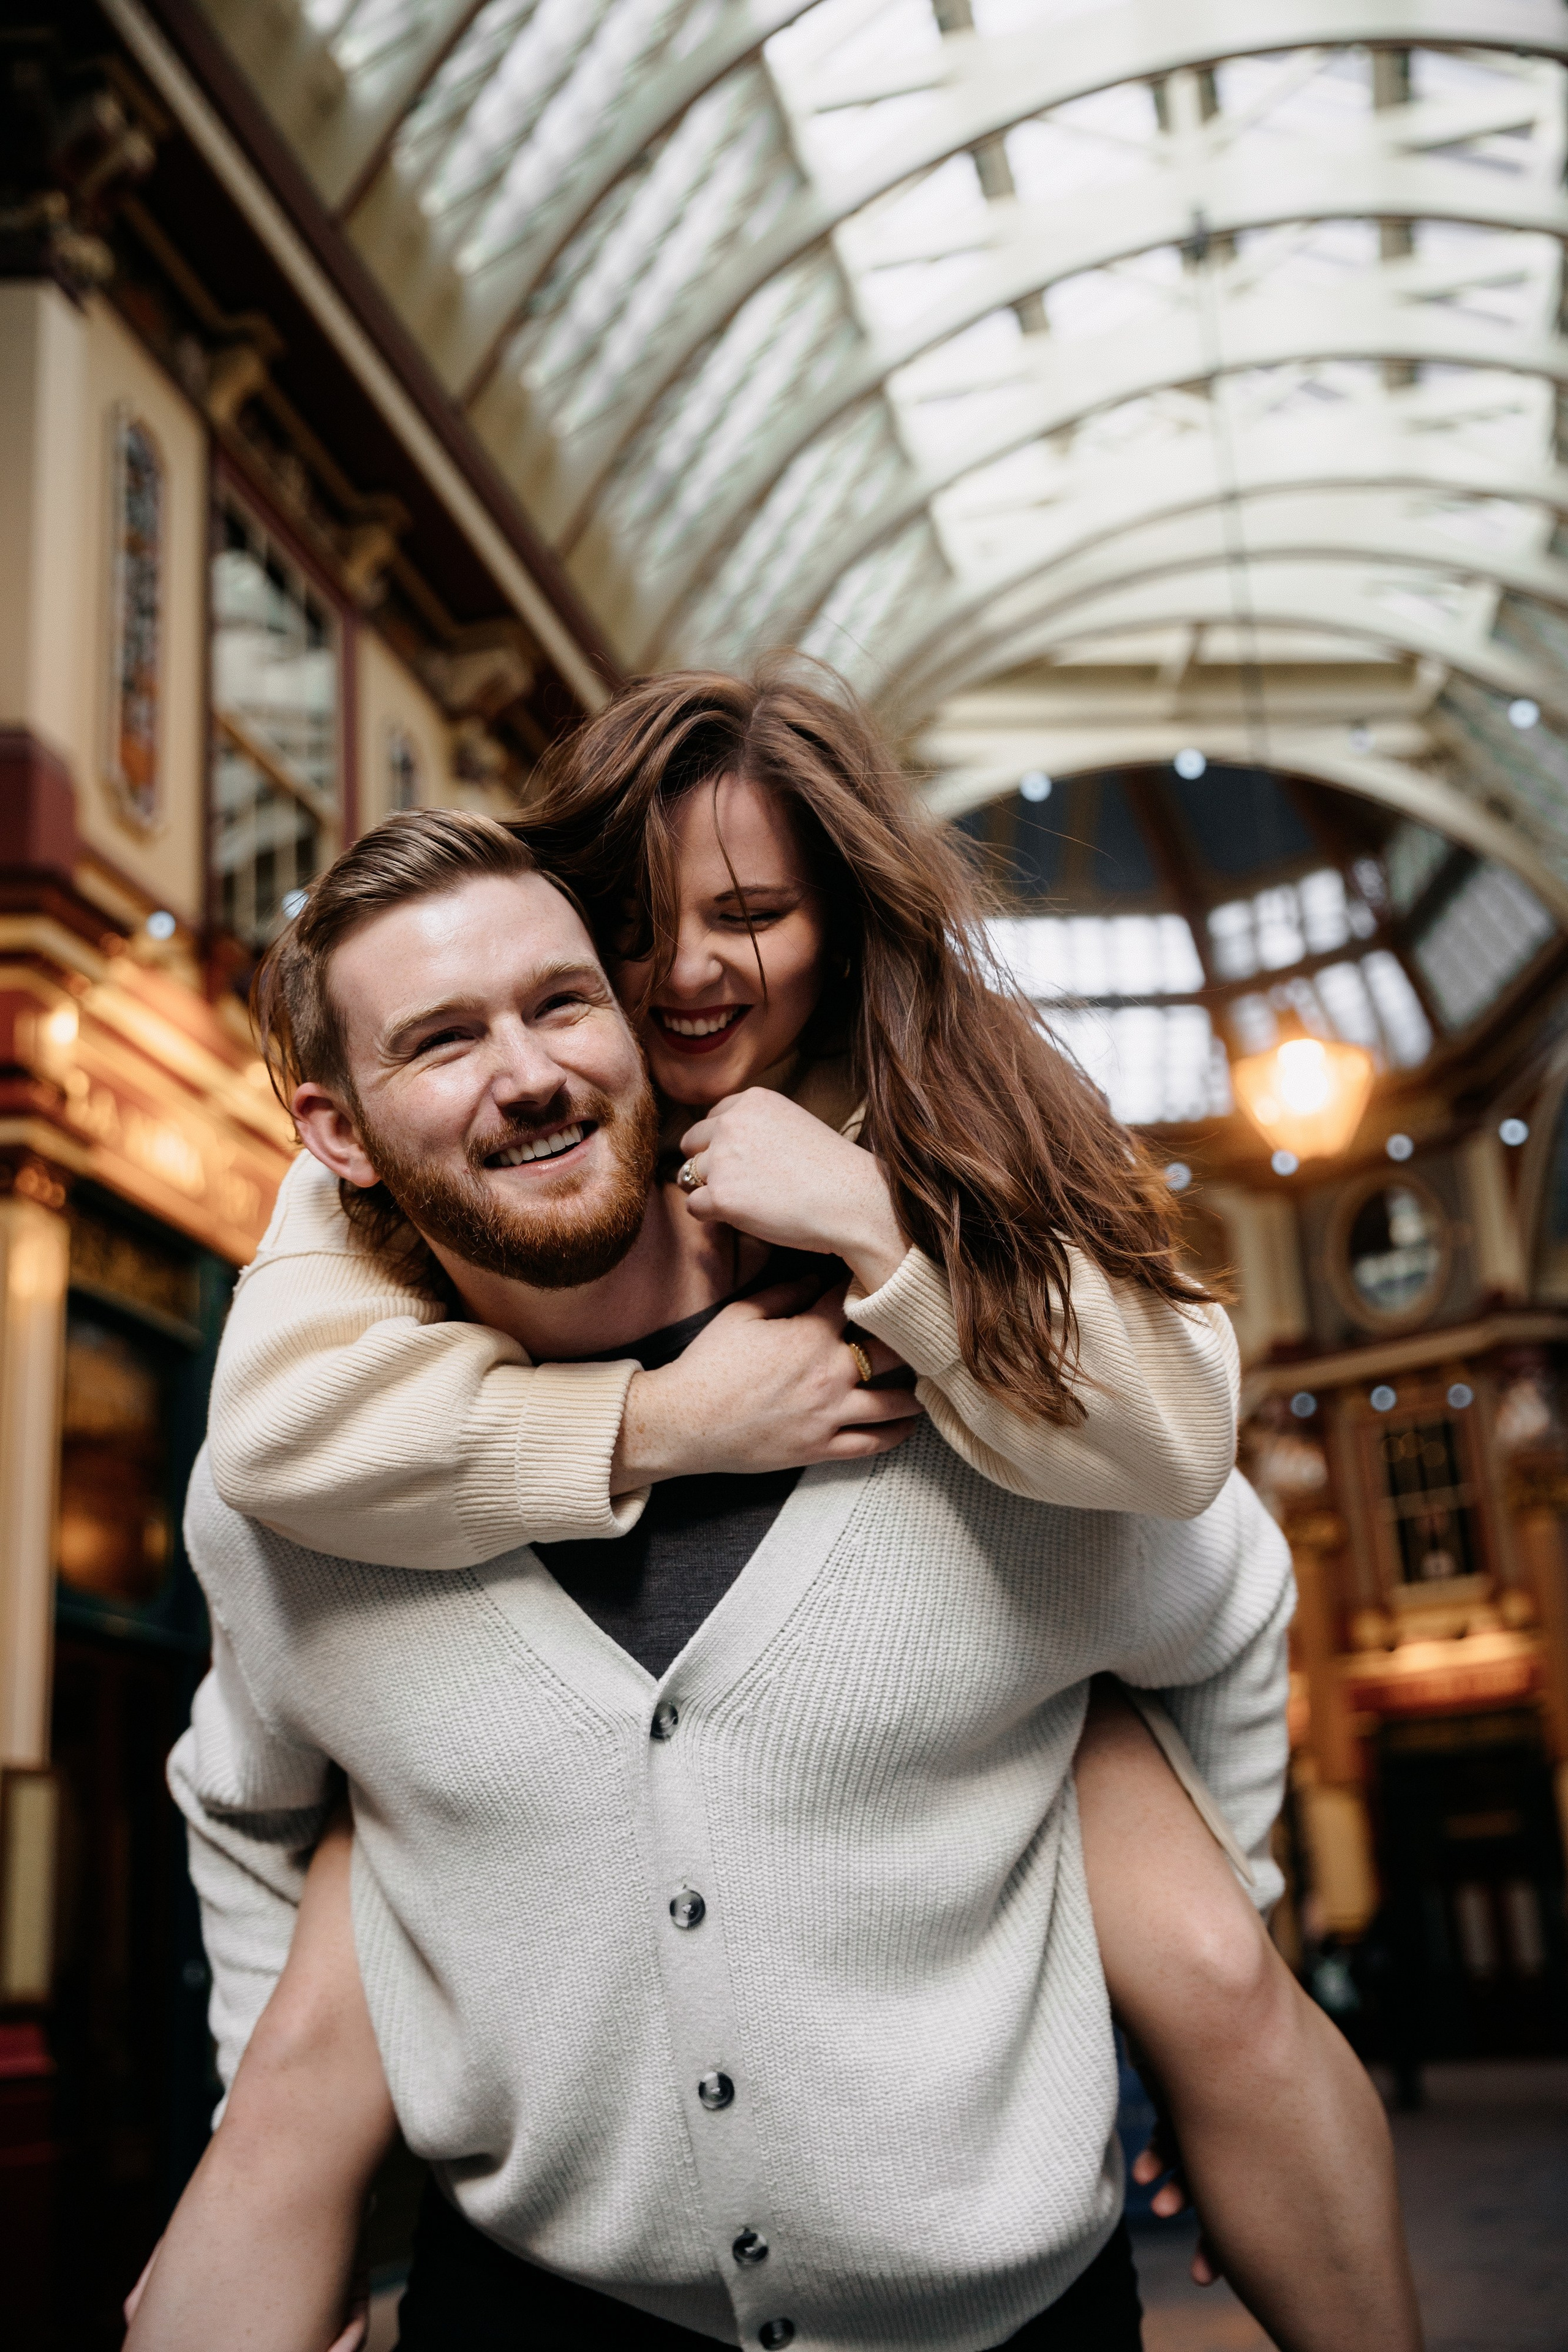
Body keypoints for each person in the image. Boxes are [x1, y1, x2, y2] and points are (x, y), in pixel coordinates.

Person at [134, 777, 1415, 2349]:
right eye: (442, 1038)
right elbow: (244, 1799)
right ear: (334, 1129)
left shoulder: (965, 1411)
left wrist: (1206, 1976)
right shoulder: (315, 1484)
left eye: (562, 1005)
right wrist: (281, 2153)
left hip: (1013, 2323)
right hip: (538, 2308)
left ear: (636, 1033)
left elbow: (1221, 1580)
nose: (528, 1074)